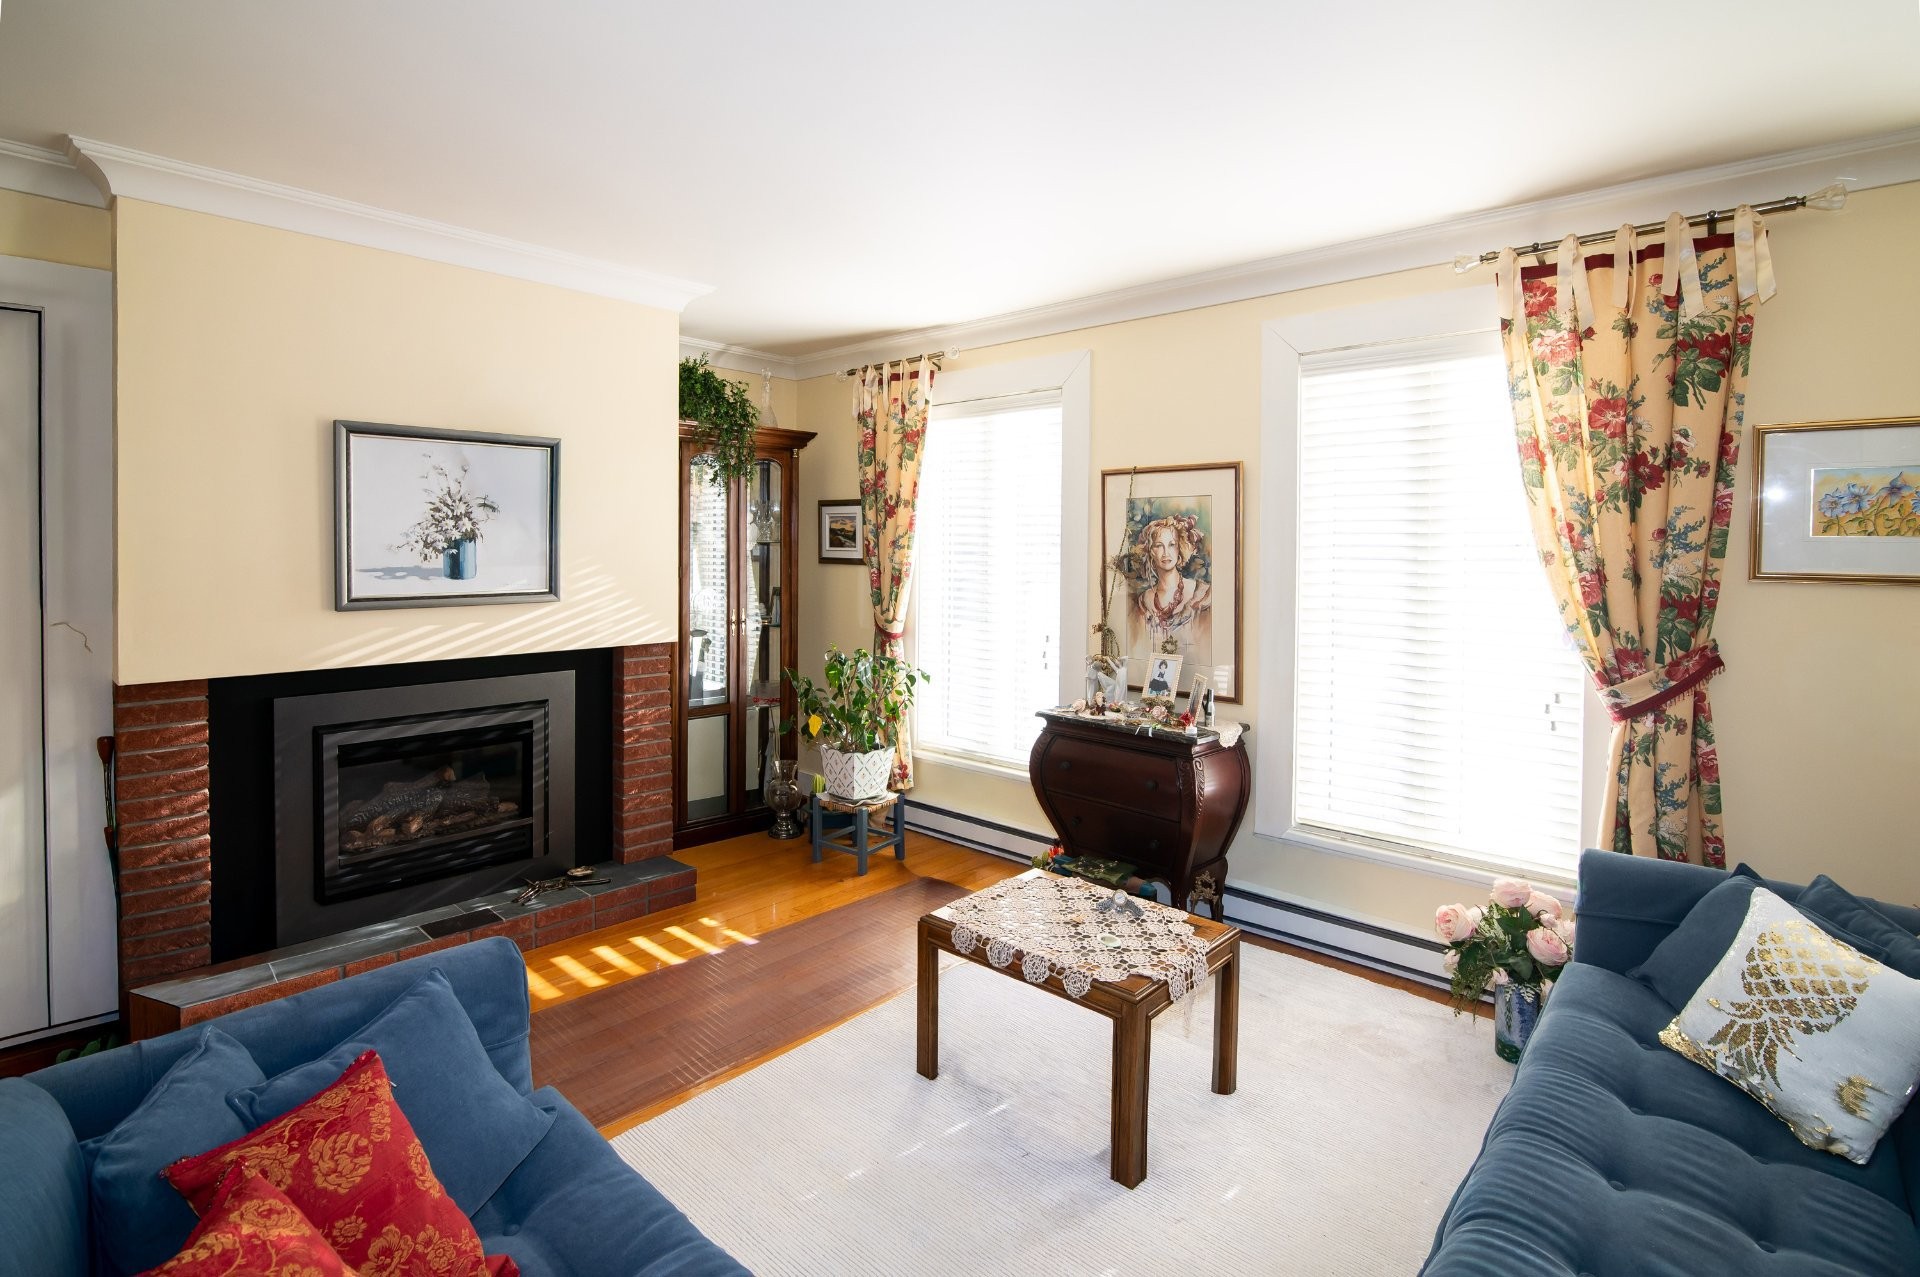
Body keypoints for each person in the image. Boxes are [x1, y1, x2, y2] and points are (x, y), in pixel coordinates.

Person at [1129, 514, 1212, 655]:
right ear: (1150, 551)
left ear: (1180, 548)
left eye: (1172, 545)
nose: (1166, 553)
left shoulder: (1201, 595)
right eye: (1158, 546)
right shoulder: (1144, 601)